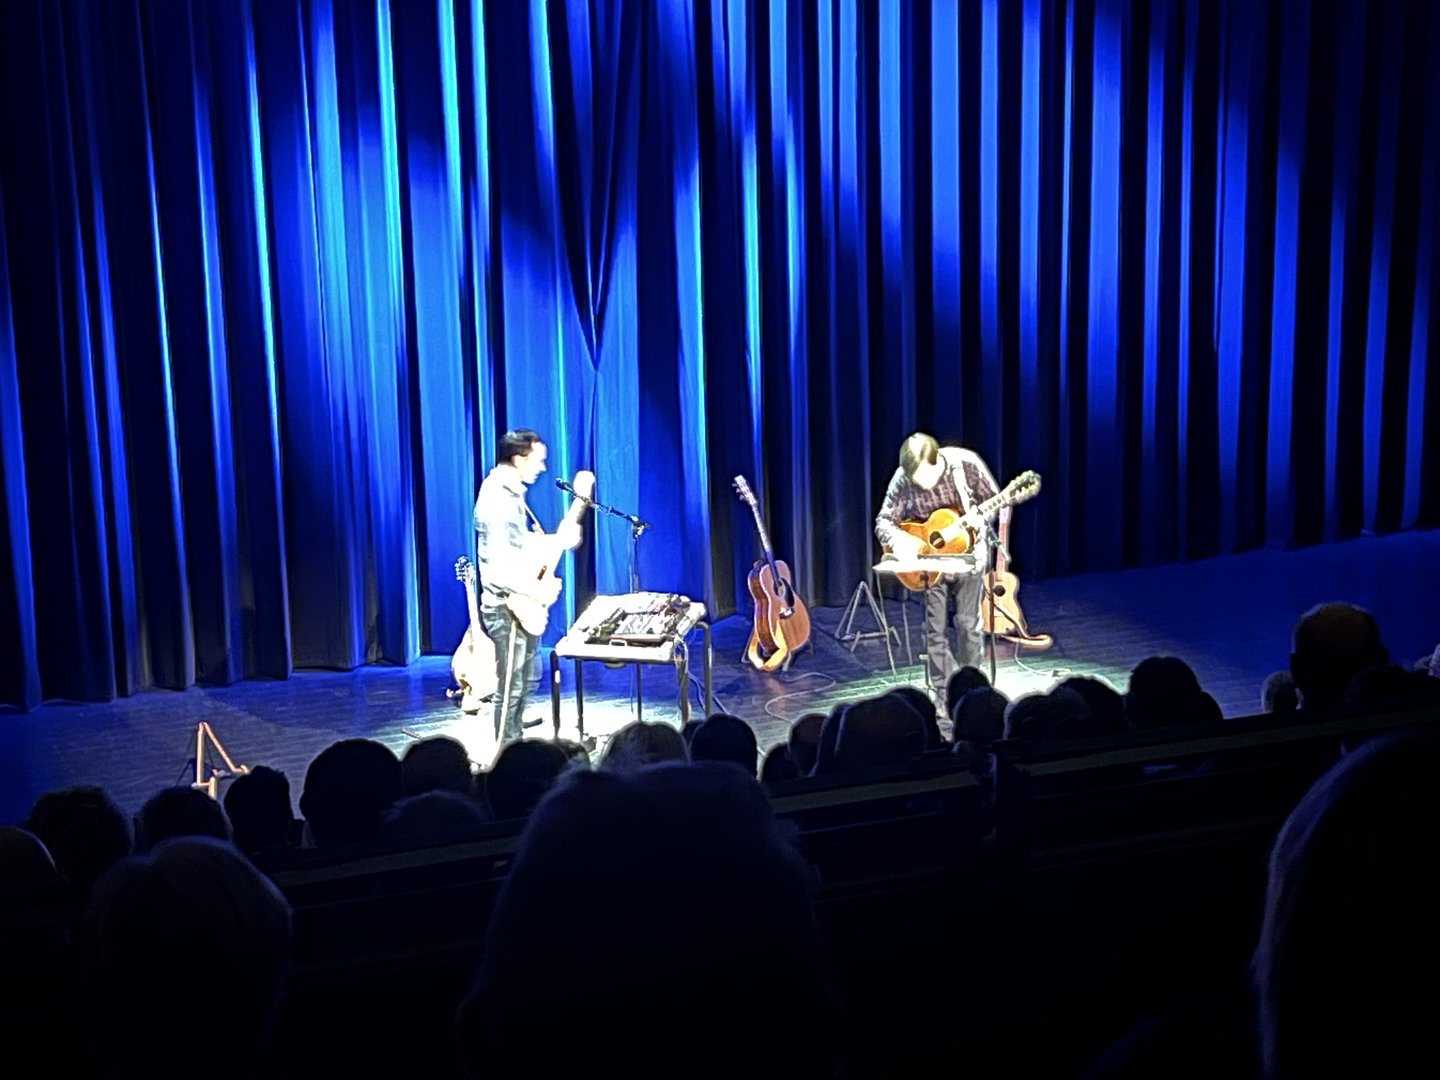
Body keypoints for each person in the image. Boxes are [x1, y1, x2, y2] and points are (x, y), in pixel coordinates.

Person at [474, 429, 594, 742]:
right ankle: (507, 752)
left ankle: (514, 737)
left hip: (518, 603)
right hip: (507, 606)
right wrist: (537, 590)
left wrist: (555, 541)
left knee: (527, 679)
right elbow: (500, 566)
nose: (543, 468)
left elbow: (518, 545)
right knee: (511, 687)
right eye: (538, 461)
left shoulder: (511, 494)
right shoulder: (498, 499)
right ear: (518, 459)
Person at [875, 432, 1006, 713]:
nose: (921, 484)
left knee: (968, 624)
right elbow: (883, 522)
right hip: (930, 561)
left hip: (969, 556)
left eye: (925, 476)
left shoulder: (965, 464)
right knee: (934, 630)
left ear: (937, 461)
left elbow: (993, 501)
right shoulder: (903, 478)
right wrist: (901, 540)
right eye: (915, 479)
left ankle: (972, 690)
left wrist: (977, 522)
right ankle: (943, 692)